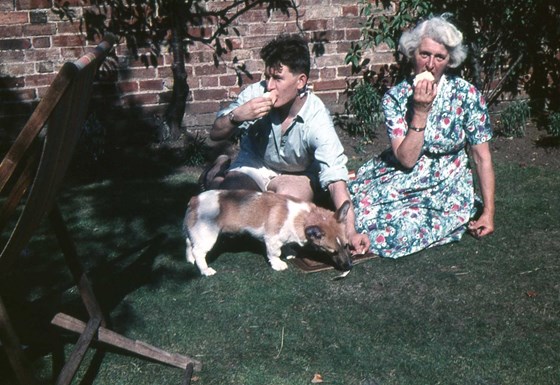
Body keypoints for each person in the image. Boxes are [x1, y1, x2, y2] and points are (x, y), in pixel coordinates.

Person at [200, 33, 370, 255]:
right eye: (267, 77)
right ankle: (215, 174)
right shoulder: (255, 93)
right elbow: (215, 133)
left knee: (291, 211)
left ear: (301, 81)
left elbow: (337, 181)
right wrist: (237, 116)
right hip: (255, 164)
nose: (270, 86)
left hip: (295, 174)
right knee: (231, 210)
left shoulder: (316, 119)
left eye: (278, 78)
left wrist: (350, 231)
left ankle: (224, 177)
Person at [349, 15, 495, 258]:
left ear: (450, 61)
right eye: (424, 54)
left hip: (447, 181)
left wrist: (488, 212)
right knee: (355, 209)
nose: (430, 64)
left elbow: (482, 158)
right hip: (404, 170)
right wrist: (420, 112)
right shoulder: (396, 97)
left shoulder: (467, 95)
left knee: (399, 231)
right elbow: (406, 160)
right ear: (412, 54)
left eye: (440, 57)